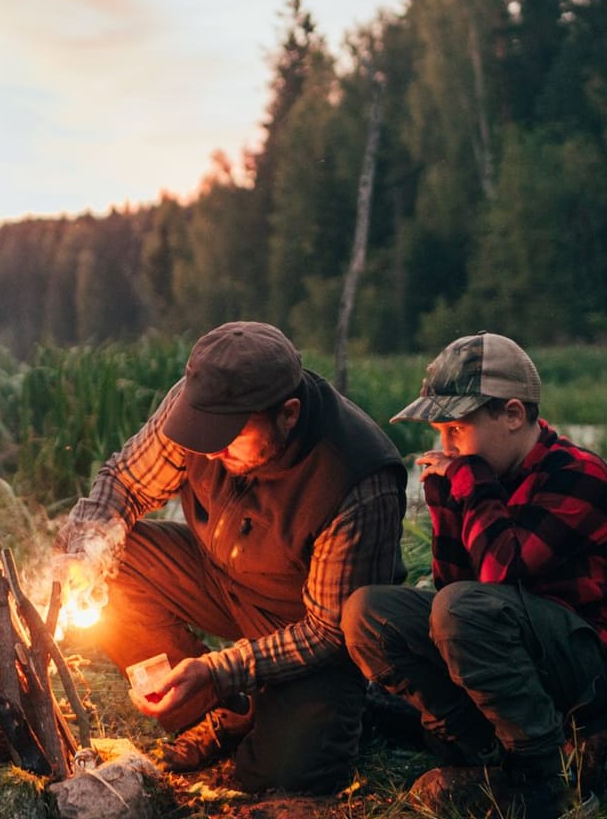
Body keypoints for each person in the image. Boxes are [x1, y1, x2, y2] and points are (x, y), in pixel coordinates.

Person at [52, 320, 406, 793]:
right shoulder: (201, 411)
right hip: (220, 577)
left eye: (230, 435)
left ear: (288, 413)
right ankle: (221, 712)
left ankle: (364, 707)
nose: (211, 448)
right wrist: (84, 550)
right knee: (114, 562)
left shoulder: (355, 478)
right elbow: (124, 482)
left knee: (284, 774)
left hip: (309, 625)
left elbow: (327, 633)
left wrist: (219, 669)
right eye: (205, 431)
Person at [340, 332, 607, 819]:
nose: (446, 447)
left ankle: (543, 778)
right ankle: (472, 749)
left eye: (458, 429)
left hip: (594, 659)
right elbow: (453, 587)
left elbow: (499, 576)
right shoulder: (482, 473)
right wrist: (445, 500)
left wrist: (468, 481)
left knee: (465, 608)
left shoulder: (577, 474)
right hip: (515, 641)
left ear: (512, 415)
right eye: (441, 432)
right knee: (369, 612)